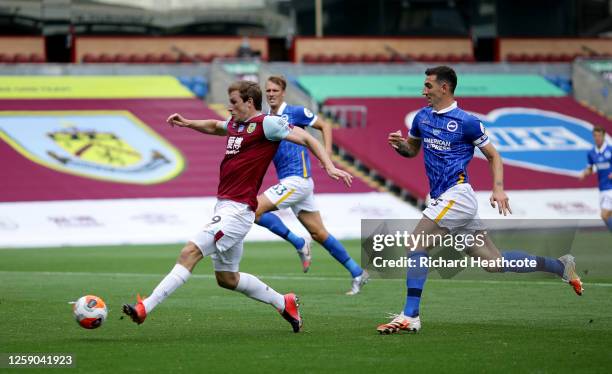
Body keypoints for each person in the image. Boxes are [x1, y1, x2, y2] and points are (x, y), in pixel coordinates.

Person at [122, 80, 352, 333]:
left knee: (190, 252)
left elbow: (308, 138)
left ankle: (146, 307)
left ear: (249, 102)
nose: (228, 107)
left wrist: (329, 166)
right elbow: (214, 125)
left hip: (238, 210)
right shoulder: (236, 124)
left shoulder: (269, 124)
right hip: (224, 207)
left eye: (233, 102)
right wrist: (187, 122)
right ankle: (284, 302)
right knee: (227, 279)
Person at [376, 66, 583, 334]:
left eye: (428, 85)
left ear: (444, 88)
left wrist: (498, 189)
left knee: (416, 244)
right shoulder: (421, 118)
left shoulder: (467, 122)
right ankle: (561, 266)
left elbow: (494, 156)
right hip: (445, 199)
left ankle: (410, 315)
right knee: (494, 264)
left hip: (458, 196)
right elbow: (411, 150)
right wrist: (400, 146)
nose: (423, 90)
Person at [254, 75, 369, 295]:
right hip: (295, 182)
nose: (270, 94)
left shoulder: (295, 112)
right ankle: (357, 272)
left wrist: (327, 153)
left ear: (283, 92)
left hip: (297, 180)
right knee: (319, 233)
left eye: (274, 91)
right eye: (267, 91)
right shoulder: (266, 118)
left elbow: (324, 125)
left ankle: (298, 242)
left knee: (253, 209)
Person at [579, 126, 611, 231]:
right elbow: (591, 168)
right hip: (602, 187)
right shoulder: (591, 153)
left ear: (604, 136)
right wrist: (585, 173)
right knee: (606, 216)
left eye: (599, 136)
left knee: (604, 215)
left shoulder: (610, 150)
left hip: (610, 187)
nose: (597, 138)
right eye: (595, 136)